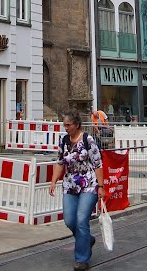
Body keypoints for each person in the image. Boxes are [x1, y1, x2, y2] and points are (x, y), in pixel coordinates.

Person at [50, 110, 105, 270]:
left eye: (68, 125)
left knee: (81, 219)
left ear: (76, 125)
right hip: (70, 185)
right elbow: (60, 162)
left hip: (88, 184)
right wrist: (53, 181)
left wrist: (101, 186)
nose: (65, 128)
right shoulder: (63, 140)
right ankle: (87, 239)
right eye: (64, 125)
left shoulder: (88, 140)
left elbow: (97, 164)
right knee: (69, 220)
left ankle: (82, 259)